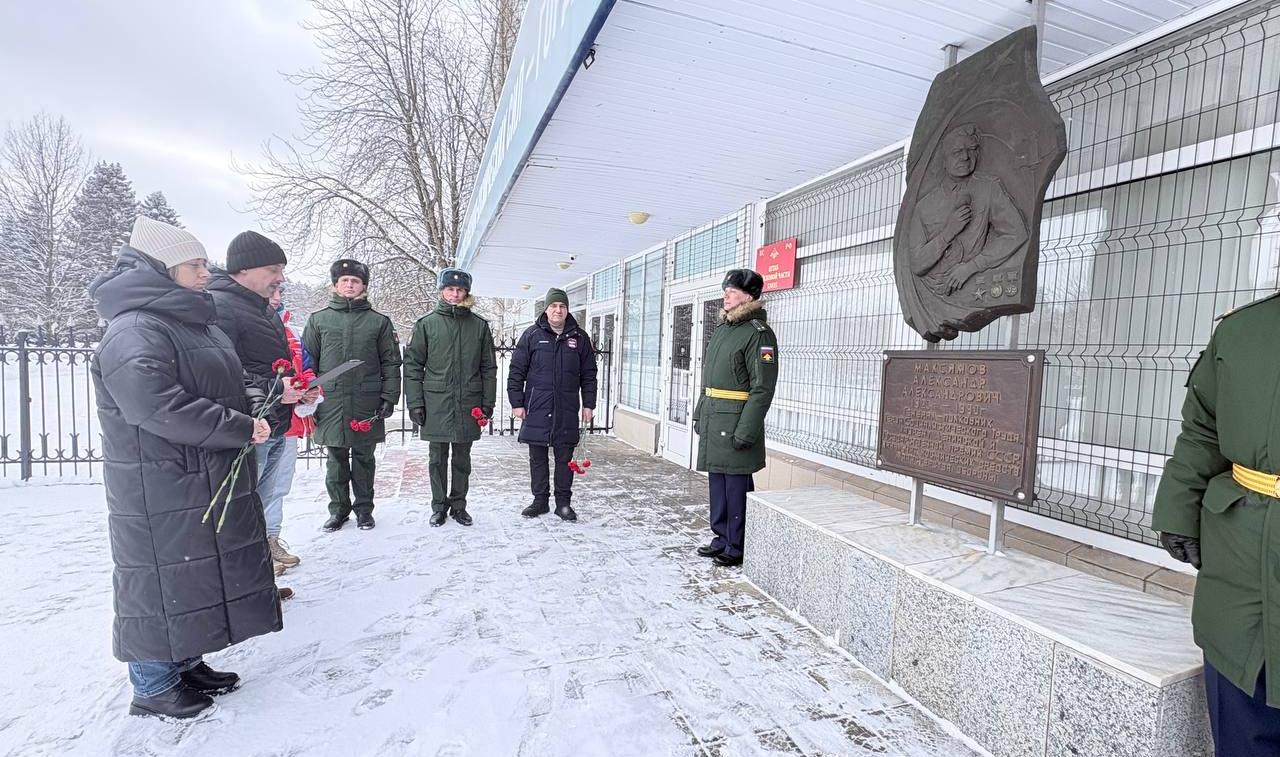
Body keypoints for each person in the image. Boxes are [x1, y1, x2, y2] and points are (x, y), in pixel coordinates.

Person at [90, 216, 282, 719]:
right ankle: (152, 682)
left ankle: (185, 660)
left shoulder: (187, 320)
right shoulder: (135, 327)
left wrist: (258, 400)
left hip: (198, 470)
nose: (205, 272)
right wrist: (236, 425)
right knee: (161, 576)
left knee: (191, 575)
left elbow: (218, 382)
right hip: (160, 481)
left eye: (202, 262)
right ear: (161, 267)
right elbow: (156, 405)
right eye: (194, 264)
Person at [1153, 291, 1280, 756]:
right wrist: (1178, 508)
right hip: (1240, 563)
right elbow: (1203, 429)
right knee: (1243, 726)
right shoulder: (1240, 329)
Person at [207, 231, 312, 573]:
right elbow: (222, 372)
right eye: (273, 269)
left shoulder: (262, 310)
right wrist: (275, 389)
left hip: (275, 422)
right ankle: (246, 578)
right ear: (244, 269)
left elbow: (268, 366)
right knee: (243, 508)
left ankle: (259, 572)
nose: (280, 278)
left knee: (262, 504)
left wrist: (289, 390)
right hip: (248, 428)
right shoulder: (220, 307)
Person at [302, 259, 402, 531]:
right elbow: (306, 363)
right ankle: (338, 510)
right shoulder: (318, 320)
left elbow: (391, 362)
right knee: (335, 459)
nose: (349, 285)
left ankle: (364, 510)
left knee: (364, 458)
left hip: (366, 400)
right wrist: (307, 396)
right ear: (335, 285)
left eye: (355, 281)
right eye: (344, 280)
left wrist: (389, 397)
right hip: (331, 401)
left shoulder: (379, 322)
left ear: (364, 286)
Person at [692, 269, 779, 567]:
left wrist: (747, 429)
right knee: (718, 481)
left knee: (736, 486)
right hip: (716, 418)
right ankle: (721, 537)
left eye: (732, 289)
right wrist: (699, 412)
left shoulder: (758, 333)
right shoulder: (723, 330)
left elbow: (763, 387)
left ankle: (738, 543)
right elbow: (709, 381)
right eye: (725, 289)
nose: (725, 294)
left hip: (736, 422)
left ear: (749, 296)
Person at [404, 268, 497, 527]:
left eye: (460, 290)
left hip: (468, 401)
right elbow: (412, 366)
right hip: (437, 402)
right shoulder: (426, 325)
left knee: (462, 458)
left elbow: (488, 367)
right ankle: (438, 506)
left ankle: (459, 505)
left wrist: (487, 402)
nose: (454, 294)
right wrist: (415, 403)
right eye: (449, 289)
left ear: (466, 292)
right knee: (437, 458)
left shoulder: (479, 326)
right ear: (442, 291)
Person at [508, 287, 598, 521]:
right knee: (537, 458)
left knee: (564, 459)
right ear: (546, 309)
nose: (558, 310)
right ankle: (539, 501)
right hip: (537, 406)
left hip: (567, 408)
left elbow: (589, 374)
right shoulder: (531, 335)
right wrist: (517, 402)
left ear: (567, 309)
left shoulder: (579, 338)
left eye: (562, 306)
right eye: (553, 306)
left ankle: (563, 504)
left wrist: (589, 404)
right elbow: (517, 371)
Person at [268, 285, 320, 569]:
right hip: (260, 422)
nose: (277, 298)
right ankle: (255, 548)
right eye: (272, 291)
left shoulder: (292, 332)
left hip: (289, 422)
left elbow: (307, 368)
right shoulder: (242, 324)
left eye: (280, 292)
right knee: (257, 488)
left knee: (278, 486)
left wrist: (312, 389)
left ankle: (271, 539)